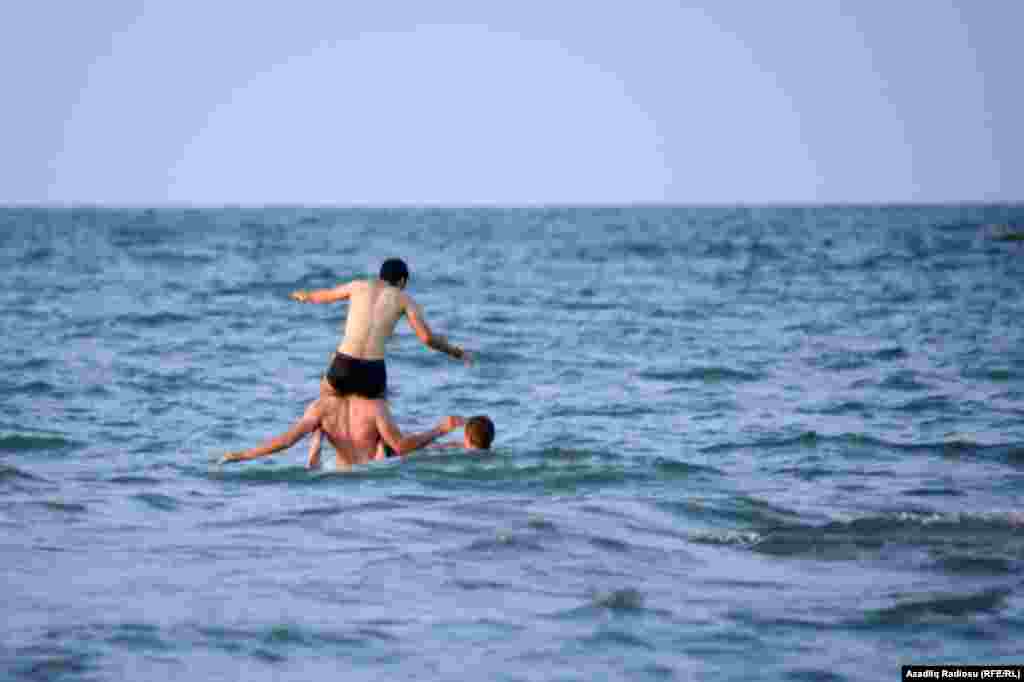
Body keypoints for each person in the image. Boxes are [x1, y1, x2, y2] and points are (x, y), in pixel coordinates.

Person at [289, 258, 472, 401]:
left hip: (344, 364)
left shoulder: (357, 286)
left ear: (380, 276)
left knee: (324, 402)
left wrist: (306, 295)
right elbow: (427, 339)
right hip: (373, 370)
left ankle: (317, 438)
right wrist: (456, 352)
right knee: (379, 415)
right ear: (402, 281)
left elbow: (325, 295)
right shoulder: (405, 300)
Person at [218, 391, 481, 469]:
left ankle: (317, 446)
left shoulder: (321, 409)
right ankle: (471, 447)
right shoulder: (374, 408)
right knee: (426, 450)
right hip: (378, 466)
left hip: (341, 471)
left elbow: (286, 441)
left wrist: (243, 455)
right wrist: (439, 429)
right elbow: (403, 447)